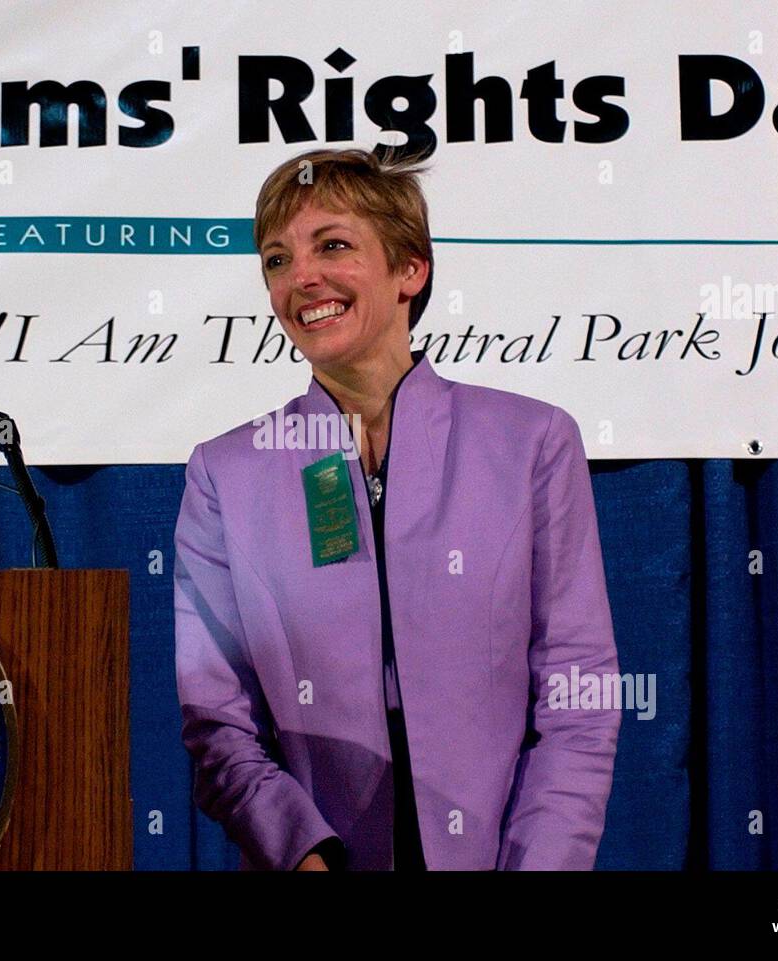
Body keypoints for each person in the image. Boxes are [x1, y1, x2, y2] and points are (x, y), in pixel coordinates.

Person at [174, 146, 621, 871]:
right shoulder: (224, 474)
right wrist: (302, 854)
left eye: (334, 246)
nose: (302, 278)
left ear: (411, 268)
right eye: (277, 260)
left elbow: (578, 695)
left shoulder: (532, 441)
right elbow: (216, 719)